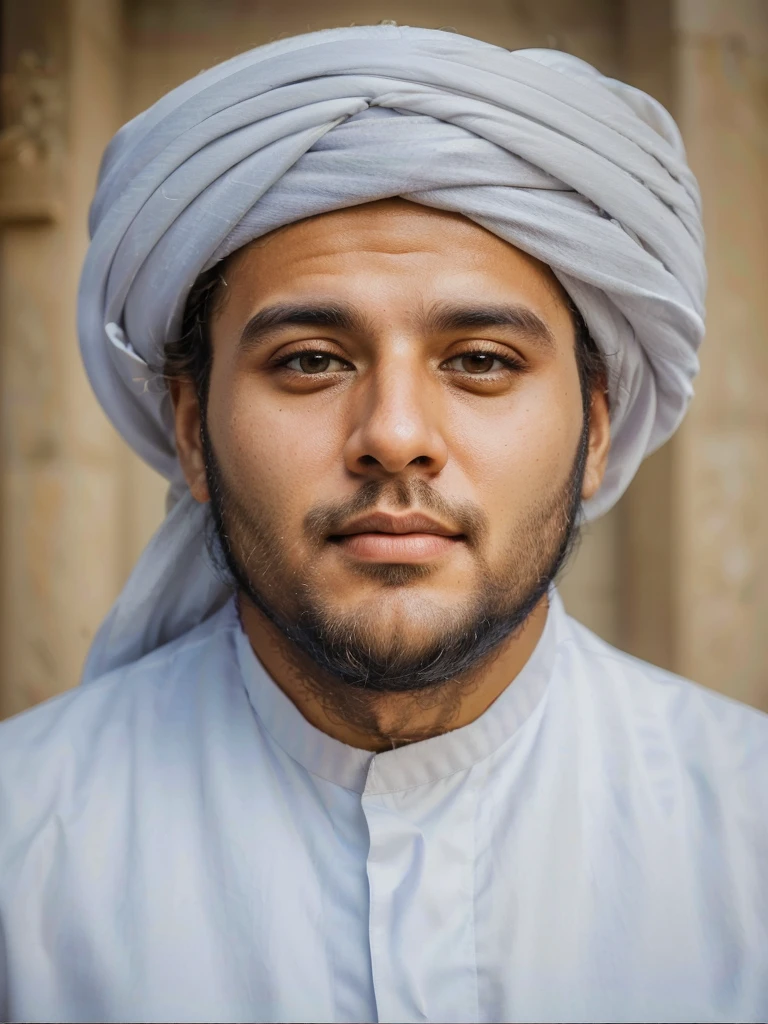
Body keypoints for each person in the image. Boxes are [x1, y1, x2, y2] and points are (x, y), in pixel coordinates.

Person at [0, 24, 766, 1024]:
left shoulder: (748, 834)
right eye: (312, 359)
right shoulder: (23, 848)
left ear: (595, 432)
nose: (395, 437)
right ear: (193, 429)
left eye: (481, 359)